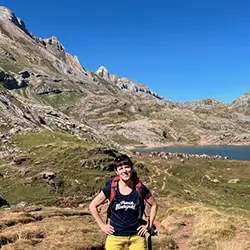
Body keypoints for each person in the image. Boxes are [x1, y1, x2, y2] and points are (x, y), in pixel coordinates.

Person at [89, 154, 158, 250]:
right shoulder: (111, 188)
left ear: (131, 168)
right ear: (116, 171)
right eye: (120, 168)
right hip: (115, 235)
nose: (124, 171)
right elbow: (92, 205)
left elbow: (154, 204)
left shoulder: (139, 187)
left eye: (127, 167)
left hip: (137, 236)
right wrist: (102, 226)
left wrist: (149, 225)